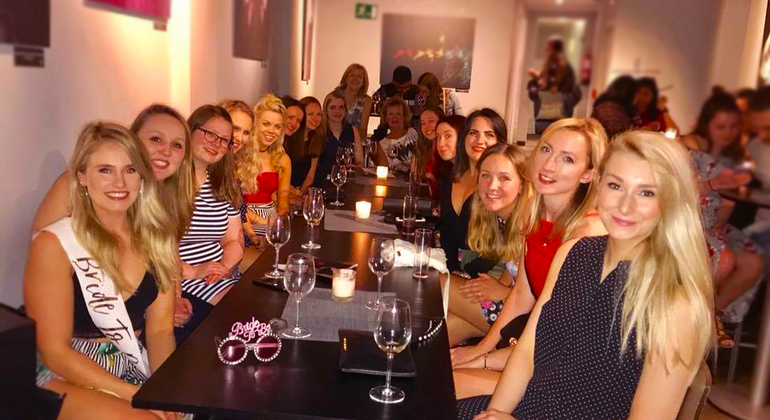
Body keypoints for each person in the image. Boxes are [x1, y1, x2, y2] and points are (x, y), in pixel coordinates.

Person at [459, 131, 715, 420]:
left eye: (646, 192)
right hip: (525, 406)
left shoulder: (676, 303)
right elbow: (528, 350)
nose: (625, 205)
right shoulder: (574, 252)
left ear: (670, 200)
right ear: (599, 184)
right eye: (616, 185)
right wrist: (496, 412)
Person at [26, 122, 180, 419]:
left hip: (129, 361)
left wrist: (164, 391)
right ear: (82, 176)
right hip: (64, 370)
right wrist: (137, 395)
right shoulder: (54, 244)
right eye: (105, 170)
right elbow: (54, 351)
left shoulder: (159, 239)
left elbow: (160, 332)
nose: (120, 182)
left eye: (130, 169)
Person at [448, 118, 607, 359]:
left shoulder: (590, 233)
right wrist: (480, 351)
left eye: (567, 159)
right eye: (546, 150)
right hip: (531, 337)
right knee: (440, 346)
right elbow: (523, 293)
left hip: (567, 357)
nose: (549, 165)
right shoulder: (534, 215)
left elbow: (566, 333)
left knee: (438, 286)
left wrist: (483, 360)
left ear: (588, 174)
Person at [30, 104, 198, 332]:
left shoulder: (168, 202)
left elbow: (168, 263)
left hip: (137, 330)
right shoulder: (73, 186)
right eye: (156, 139)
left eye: (177, 145)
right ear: (132, 140)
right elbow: (40, 269)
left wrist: (175, 299)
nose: (166, 151)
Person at [180, 105, 243, 308]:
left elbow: (233, 239)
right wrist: (194, 271)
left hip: (221, 276)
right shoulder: (168, 183)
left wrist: (222, 268)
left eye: (224, 140)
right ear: (190, 131)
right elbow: (153, 251)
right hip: (181, 280)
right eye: (210, 134)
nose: (217, 143)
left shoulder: (223, 183)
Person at [439, 109, 507, 277]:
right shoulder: (451, 177)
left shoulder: (502, 183)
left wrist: (468, 273)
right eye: (473, 133)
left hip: (492, 271)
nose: (480, 140)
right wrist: (453, 268)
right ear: (464, 138)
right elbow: (447, 230)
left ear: (499, 142)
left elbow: (502, 242)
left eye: (489, 135)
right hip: (455, 266)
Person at [236, 94, 293, 248]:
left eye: (277, 126)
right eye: (266, 124)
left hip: (270, 215)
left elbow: (284, 198)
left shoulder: (282, 159)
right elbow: (234, 203)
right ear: (254, 124)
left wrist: (280, 219)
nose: (272, 131)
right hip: (242, 217)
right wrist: (261, 221)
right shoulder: (239, 153)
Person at [313, 90, 365, 188]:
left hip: (347, 183)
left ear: (345, 110)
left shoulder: (352, 130)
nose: (337, 111)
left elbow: (360, 161)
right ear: (326, 110)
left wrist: (354, 167)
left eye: (341, 107)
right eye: (333, 107)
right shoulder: (318, 132)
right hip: (322, 184)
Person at [527, 37, 581, 119]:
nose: (545, 48)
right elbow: (544, 77)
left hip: (556, 109)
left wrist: (548, 85)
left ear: (553, 48)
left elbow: (556, 83)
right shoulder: (552, 62)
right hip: (551, 109)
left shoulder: (560, 63)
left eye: (548, 45)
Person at [286, 96, 323, 200]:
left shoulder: (316, 138)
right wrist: (294, 194)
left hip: (301, 194)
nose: (315, 118)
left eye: (319, 114)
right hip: (285, 192)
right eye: (310, 114)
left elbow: (311, 175)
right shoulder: (289, 136)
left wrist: (300, 193)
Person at [372, 65, 420, 141]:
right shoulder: (384, 91)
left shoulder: (417, 92)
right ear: (393, 82)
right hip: (386, 130)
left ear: (411, 81)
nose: (404, 90)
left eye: (407, 87)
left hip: (411, 132)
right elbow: (374, 106)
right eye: (400, 87)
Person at [375, 96, 419, 173]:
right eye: (391, 114)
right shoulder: (382, 145)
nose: (394, 117)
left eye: (398, 114)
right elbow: (383, 172)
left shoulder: (414, 133)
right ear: (386, 118)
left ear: (404, 116)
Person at [433, 114, 467, 207]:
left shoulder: (475, 175)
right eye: (438, 137)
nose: (441, 143)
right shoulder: (447, 174)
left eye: (447, 136)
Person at [412, 106, 444, 199]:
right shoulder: (422, 150)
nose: (427, 127)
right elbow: (414, 178)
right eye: (423, 123)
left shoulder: (449, 152)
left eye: (431, 121)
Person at [336, 63, 373, 141]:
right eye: (352, 75)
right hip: (335, 139)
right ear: (346, 78)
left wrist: (355, 144)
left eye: (359, 76)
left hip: (356, 141)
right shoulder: (335, 96)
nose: (355, 79)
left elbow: (363, 129)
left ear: (363, 82)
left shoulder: (367, 101)